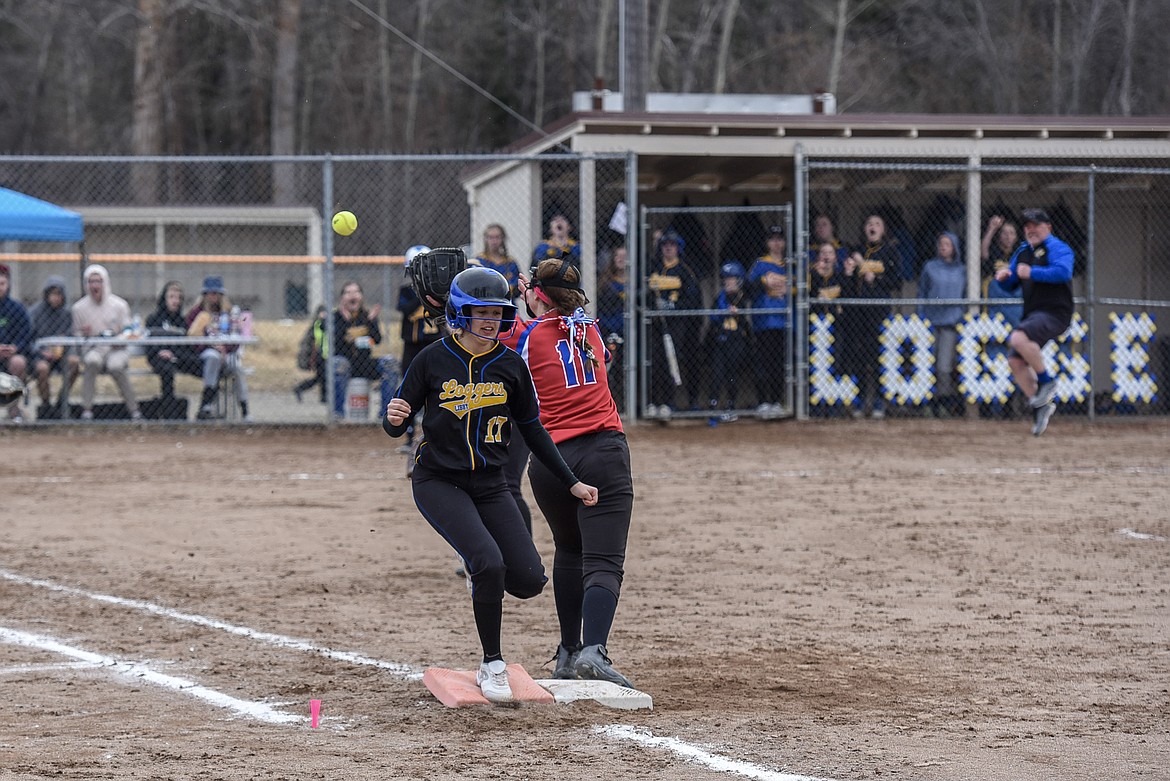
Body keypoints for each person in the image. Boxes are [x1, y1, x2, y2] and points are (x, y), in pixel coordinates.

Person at [383, 265, 598, 705]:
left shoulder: (510, 365)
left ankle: (482, 574)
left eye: (496, 311)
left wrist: (572, 481)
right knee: (488, 563)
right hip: (438, 481)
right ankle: (492, 662)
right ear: (460, 314)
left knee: (528, 580)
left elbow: (534, 430)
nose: (489, 319)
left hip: (491, 484)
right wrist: (392, 420)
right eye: (479, 311)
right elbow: (396, 420)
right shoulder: (432, 360)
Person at [515, 257, 637, 688]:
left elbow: (516, 338)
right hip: (603, 451)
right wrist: (539, 303)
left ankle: (568, 652)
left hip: (551, 462)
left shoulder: (526, 335)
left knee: (569, 549)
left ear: (539, 296)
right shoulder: (593, 330)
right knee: (603, 559)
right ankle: (594, 650)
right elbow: (592, 351)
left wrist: (524, 307)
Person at [994, 208, 1074, 436]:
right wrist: (1004, 279)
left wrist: (1032, 272)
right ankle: (1040, 406)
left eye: (1035, 225)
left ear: (1048, 227)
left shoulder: (1058, 248)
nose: (1030, 230)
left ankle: (1047, 382)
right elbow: (1011, 285)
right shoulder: (1022, 252)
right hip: (1034, 314)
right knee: (1015, 362)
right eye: (1027, 226)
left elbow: (1063, 273)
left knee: (1018, 338)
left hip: (1056, 312)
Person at [840, 213, 901, 418]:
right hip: (857, 312)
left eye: (877, 224)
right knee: (858, 356)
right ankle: (859, 399)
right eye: (869, 223)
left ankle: (877, 401)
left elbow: (896, 282)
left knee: (877, 357)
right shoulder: (856, 250)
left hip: (878, 311)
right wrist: (851, 270)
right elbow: (847, 284)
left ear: (883, 230)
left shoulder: (890, 252)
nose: (872, 227)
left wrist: (875, 278)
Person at [70, 263, 143, 422]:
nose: (95, 285)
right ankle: (87, 409)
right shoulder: (79, 308)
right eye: (91, 281)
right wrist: (84, 333)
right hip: (93, 348)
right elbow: (76, 335)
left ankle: (134, 410)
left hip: (117, 348)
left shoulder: (119, 305)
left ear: (105, 282)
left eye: (98, 281)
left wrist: (119, 339)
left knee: (116, 366)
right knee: (91, 361)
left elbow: (130, 331)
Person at [645, 230, 701, 420]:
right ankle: (653, 402)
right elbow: (645, 293)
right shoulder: (653, 267)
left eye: (672, 245)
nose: (668, 248)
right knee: (655, 360)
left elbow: (693, 298)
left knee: (671, 360)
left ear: (678, 248)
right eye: (664, 245)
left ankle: (668, 403)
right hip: (656, 322)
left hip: (676, 324)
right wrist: (654, 305)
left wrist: (673, 306)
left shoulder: (685, 270)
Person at [185, 275, 250, 421]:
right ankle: (206, 405)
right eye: (210, 293)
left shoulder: (230, 312)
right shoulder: (197, 313)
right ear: (204, 295)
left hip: (227, 355)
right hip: (205, 356)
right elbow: (192, 339)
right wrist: (213, 346)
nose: (213, 296)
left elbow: (236, 339)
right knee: (212, 357)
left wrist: (225, 349)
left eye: (216, 293)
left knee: (238, 369)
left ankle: (246, 411)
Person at [917, 232, 967, 417]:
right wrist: (920, 315)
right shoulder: (929, 267)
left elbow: (967, 293)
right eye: (941, 243)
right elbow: (922, 291)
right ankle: (928, 401)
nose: (943, 246)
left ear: (954, 247)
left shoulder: (962, 269)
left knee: (944, 366)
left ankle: (943, 400)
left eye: (947, 244)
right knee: (926, 363)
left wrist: (962, 315)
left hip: (951, 322)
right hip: (930, 321)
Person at [747, 226, 790, 420]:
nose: (776, 243)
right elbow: (747, 288)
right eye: (772, 239)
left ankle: (776, 401)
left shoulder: (789, 264)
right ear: (767, 243)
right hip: (764, 320)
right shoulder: (760, 264)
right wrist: (764, 281)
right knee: (763, 362)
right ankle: (763, 401)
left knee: (779, 363)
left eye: (780, 239)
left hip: (783, 321)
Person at [27, 275, 79, 420]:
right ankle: (46, 405)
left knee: (74, 363)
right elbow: (29, 340)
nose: (56, 298)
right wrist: (42, 352)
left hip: (60, 356)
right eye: (53, 294)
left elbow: (70, 336)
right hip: (40, 356)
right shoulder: (35, 313)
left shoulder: (66, 314)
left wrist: (63, 346)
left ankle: (61, 401)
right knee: (42, 369)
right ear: (46, 295)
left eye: (59, 294)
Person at [705, 261, 751, 423]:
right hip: (721, 340)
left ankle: (731, 407)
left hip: (736, 340)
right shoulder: (721, 297)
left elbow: (748, 322)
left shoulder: (743, 298)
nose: (728, 282)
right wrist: (723, 313)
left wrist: (739, 314)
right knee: (717, 374)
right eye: (726, 279)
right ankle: (713, 407)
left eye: (731, 278)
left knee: (733, 374)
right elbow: (712, 317)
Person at [330, 280, 382, 419]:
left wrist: (371, 322)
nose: (353, 295)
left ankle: (385, 415)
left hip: (365, 363)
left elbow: (377, 340)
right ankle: (338, 414)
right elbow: (335, 341)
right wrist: (345, 321)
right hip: (344, 363)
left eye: (356, 292)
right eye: (348, 292)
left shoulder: (367, 316)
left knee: (390, 363)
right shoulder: (334, 317)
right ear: (342, 298)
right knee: (339, 364)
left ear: (361, 297)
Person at [145, 281, 202, 405]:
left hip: (179, 356)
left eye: (179, 298)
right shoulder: (153, 319)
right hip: (159, 357)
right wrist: (161, 352)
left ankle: (206, 407)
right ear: (164, 298)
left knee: (206, 366)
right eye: (171, 297)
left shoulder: (182, 321)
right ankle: (169, 408)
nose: (175, 301)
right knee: (167, 370)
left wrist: (174, 354)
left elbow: (187, 346)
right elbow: (149, 345)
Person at [595, 246, 628, 410]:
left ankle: (628, 404)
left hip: (629, 333)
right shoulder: (606, 283)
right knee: (610, 370)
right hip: (610, 331)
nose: (621, 260)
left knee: (625, 369)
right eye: (618, 256)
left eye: (625, 256)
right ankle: (610, 404)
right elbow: (603, 311)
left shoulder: (634, 282)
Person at [0, 264, 31, 423]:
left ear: (8, 284)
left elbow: (26, 336)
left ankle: (13, 410)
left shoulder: (17, 308)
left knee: (19, 362)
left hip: (12, 356)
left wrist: (15, 348)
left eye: (2, 284)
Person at [473, 224, 522, 302]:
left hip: (507, 304)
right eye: (491, 237)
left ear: (503, 239)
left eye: (497, 237)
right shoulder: (479, 261)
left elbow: (518, 287)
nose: (494, 241)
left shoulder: (510, 263)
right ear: (485, 239)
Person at [293, 305, 328, 404]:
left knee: (322, 377)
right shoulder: (317, 324)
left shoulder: (327, 323)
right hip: (318, 355)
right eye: (322, 313)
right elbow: (314, 340)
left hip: (325, 354)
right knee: (322, 377)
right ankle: (323, 397)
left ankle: (300, 388)